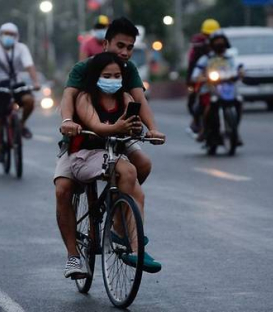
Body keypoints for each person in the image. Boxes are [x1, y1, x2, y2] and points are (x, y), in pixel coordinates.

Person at [54, 17, 165, 278]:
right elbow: (69, 96)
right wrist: (68, 121)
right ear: (105, 44)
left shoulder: (129, 71)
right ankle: (73, 257)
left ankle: (117, 217)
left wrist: (152, 128)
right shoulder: (84, 70)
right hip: (82, 142)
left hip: (117, 142)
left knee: (142, 165)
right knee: (63, 190)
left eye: (130, 47)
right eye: (120, 45)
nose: (125, 52)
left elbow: (139, 100)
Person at [0, 23, 40, 163]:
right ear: (0, 34)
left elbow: (29, 66)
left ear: (16, 36)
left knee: (29, 101)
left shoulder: (21, 48)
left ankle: (21, 124)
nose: (9, 37)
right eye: (6, 33)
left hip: (16, 83)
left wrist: (36, 82)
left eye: (12, 35)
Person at [191, 31, 243, 143]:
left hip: (228, 88)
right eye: (217, 41)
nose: (219, 43)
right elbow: (195, 74)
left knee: (239, 102)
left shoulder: (231, 57)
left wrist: (240, 73)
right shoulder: (206, 59)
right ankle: (204, 130)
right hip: (210, 89)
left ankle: (234, 130)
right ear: (212, 43)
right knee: (208, 106)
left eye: (221, 41)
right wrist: (202, 78)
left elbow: (239, 68)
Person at [186, 18, 220, 135]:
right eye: (207, 35)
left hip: (220, 77)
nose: (210, 38)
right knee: (194, 99)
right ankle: (196, 122)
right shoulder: (198, 45)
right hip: (200, 75)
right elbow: (192, 63)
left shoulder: (222, 45)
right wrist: (191, 80)